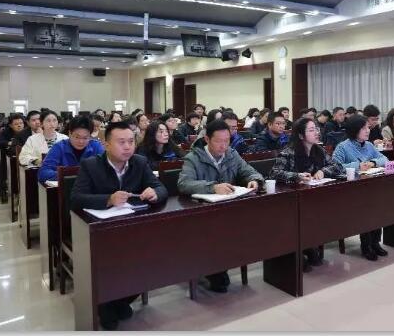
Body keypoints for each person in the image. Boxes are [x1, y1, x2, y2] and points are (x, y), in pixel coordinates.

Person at [71, 121, 167, 330]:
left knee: (150, 257)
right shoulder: (91, 165)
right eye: (121, 142)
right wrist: (108, 199)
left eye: (131, 141)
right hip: (102, 233)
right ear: (106, 144)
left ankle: (122, 299)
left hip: (133, 230)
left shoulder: (139, 162)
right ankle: (107, 304)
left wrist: (155, 193)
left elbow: (161, 188)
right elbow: (76, 198)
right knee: (110, 263)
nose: (127, 147)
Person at [177, 119, 264, 293]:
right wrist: (213, 187)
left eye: (227, 141)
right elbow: (184, 183)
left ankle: (220, 267)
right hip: (201, 215)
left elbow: (249, 171)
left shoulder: (232, 154)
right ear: (207, 139)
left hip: (228, 213)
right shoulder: (193, 158)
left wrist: (254, 180)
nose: (223, 145)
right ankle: (212, 269)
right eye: (218, 141)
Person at [269, 117, 344, 271]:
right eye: (311, 130)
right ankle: (298, 250)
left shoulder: (319, 150)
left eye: (316, 129)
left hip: (313, 198)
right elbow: (273, 173)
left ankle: (309, 245)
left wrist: (323, 171)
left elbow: (337, 166)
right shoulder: (288, 152)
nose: (316, 132)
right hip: (291, 201)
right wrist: (296, 176)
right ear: (301, 135)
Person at [332, 115, 389, 261]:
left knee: (378, 204)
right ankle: (366, 245)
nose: (368, 131)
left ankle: (375, 242)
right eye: (364, 128)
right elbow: (334, 167)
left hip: (368, 188)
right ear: (354, 130)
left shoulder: (369, 145)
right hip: (349, 191)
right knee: (367, 206)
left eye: (368, 128)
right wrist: (357, 166)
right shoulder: (343, 147)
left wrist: (373, 162)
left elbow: (385, 159)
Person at [38, 115, 105, 183]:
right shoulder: (59, 147)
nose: (81, 141)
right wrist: (68, 175)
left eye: (85, 138)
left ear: (90, 136)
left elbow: (106, 169)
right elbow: (43, 173)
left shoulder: (96, 146)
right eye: (77, 137)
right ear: (69, 133)